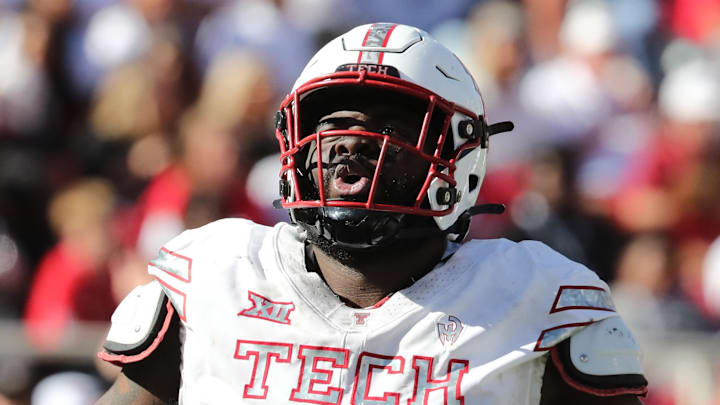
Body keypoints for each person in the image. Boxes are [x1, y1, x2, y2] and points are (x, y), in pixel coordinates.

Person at [95, 23, 648, 404]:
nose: (350, 145)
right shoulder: (220, 273)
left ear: (460, 157)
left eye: (387, 127)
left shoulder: (534, 300)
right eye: (333, 125)